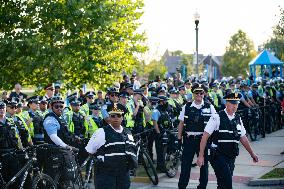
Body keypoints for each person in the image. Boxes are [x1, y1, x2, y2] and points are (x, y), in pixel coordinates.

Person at [197, 92, 259, 189]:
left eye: (236, 104)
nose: (235, 106)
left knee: (222, 184)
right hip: (218, 155)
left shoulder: (237, 119)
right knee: (227, 184)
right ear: (226, 103)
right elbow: (205, 136)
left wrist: (252, 154)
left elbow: (243, 138)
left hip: (231, 156)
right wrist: (201, 156)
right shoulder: (216, 117)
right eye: (233, 103)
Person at [85, 103, 137, 189]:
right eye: (113, 116)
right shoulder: (101, 132)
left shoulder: (128, 133)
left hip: (123, 176)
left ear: (122, 117)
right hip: (106, 177)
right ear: (109, 117)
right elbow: (89, 151)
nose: (116, 118)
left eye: (118, 115)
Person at [177, 83, 216, 189]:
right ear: (193, 94)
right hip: (189, 140)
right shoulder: (187, 106)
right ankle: (182, 186)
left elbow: (216, 124)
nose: (199, 94)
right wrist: (179, 139)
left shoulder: (210, 107)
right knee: (185, 165)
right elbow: (181, 123)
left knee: (204, 166)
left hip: (203, 141)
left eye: (201, 93)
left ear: (204, 94)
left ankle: (202, 187)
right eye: (197, 93)